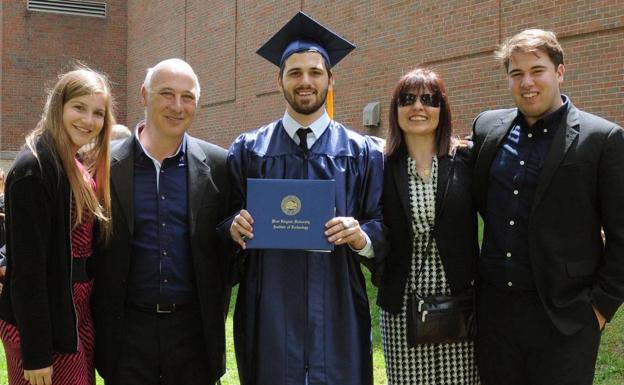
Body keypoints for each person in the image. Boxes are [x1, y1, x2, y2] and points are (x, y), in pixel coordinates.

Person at [226, 12, 388, 385]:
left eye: (315, 72)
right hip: (268, 308)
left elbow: (382, 225)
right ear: (278, 79)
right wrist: (232, 228)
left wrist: (361, 236)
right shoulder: (249, 150)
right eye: (295, 72)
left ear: (331, 79)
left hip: (337, 305)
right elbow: (221, 224)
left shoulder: (362, 152)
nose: (305, 81)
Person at [471, 29, 624, 385]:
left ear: (559, 72)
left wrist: (600, 308)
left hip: (566, 319)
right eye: (516, 73)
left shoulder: (602, 139)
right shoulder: (487, 128)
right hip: (495, 318)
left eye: (537, 70)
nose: (527, 82)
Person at [91, 58, 231, 385]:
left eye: (188, 97)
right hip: (126, 333)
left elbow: (229, 247)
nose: (177, 106)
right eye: (166, 94)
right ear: (144, 95)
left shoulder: (220, 166)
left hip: (193, 334)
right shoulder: (103, 163)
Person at [0, 67, 114, 385]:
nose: (88, 120)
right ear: (58, 106)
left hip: (76, 311)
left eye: (98, 113)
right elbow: (27, 270)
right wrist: (36, 353)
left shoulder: (73, 163)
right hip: (44, 321)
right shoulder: (34, 168)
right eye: (79, 108)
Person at [377, 68, 479, 385]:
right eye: (408, 99)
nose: (418, 107)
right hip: (403, 303)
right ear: (396, 109)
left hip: (460, 300)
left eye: (429, 99)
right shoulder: (379, 165)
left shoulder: (466, 159)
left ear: (442, 108)